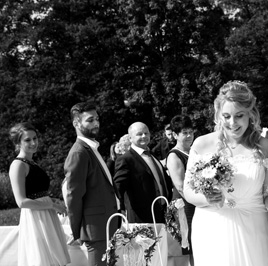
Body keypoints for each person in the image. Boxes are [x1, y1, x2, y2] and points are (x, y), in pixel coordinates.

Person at [183, 80, 268, 266]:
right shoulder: (202, 144)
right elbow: (188, 192)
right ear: (218, 115)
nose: (232, 123)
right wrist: (208, 198)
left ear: (250, 114)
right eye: (227, 116)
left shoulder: (264, 147)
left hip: (254, 229)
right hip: (212, 229)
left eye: (239, 116)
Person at [63, 102, 119, 266]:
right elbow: (73, 195)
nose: (96, 123)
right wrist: (76, 230)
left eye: (97, 119)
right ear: (76, 123)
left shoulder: (91, 148)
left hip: (107, 223)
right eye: (90, 120)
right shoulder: (79, 152)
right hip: (95, 228)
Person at [8, 122, 70, 266]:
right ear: (18, 142)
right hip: (35, 218)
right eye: (27, 140)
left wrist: (53, 201)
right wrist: (51, 205)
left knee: (54, 260)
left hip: (46, 215)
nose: (33, 142)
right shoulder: (18, 165)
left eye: (35, 138)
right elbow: (22, 202)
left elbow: (37, 193)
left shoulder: (32, 163)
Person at [113, 122, 173, 223]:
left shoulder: (152, 156)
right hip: (141, 219)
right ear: (130, 138)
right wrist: (120, 210)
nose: (144, 136)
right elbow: (118, 187)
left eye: (146, 133)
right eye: (139, 134)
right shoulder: (126, 159)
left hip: (162, 215)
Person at [166, 115, 196, 265]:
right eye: (185, 132)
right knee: (192, 246)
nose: (189, 136)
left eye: (191, 132)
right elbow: (180, 186)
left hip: (197, 204)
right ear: (176, 134)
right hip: (185, 207)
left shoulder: (194, 151)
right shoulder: (174, 156)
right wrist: (201, 202)